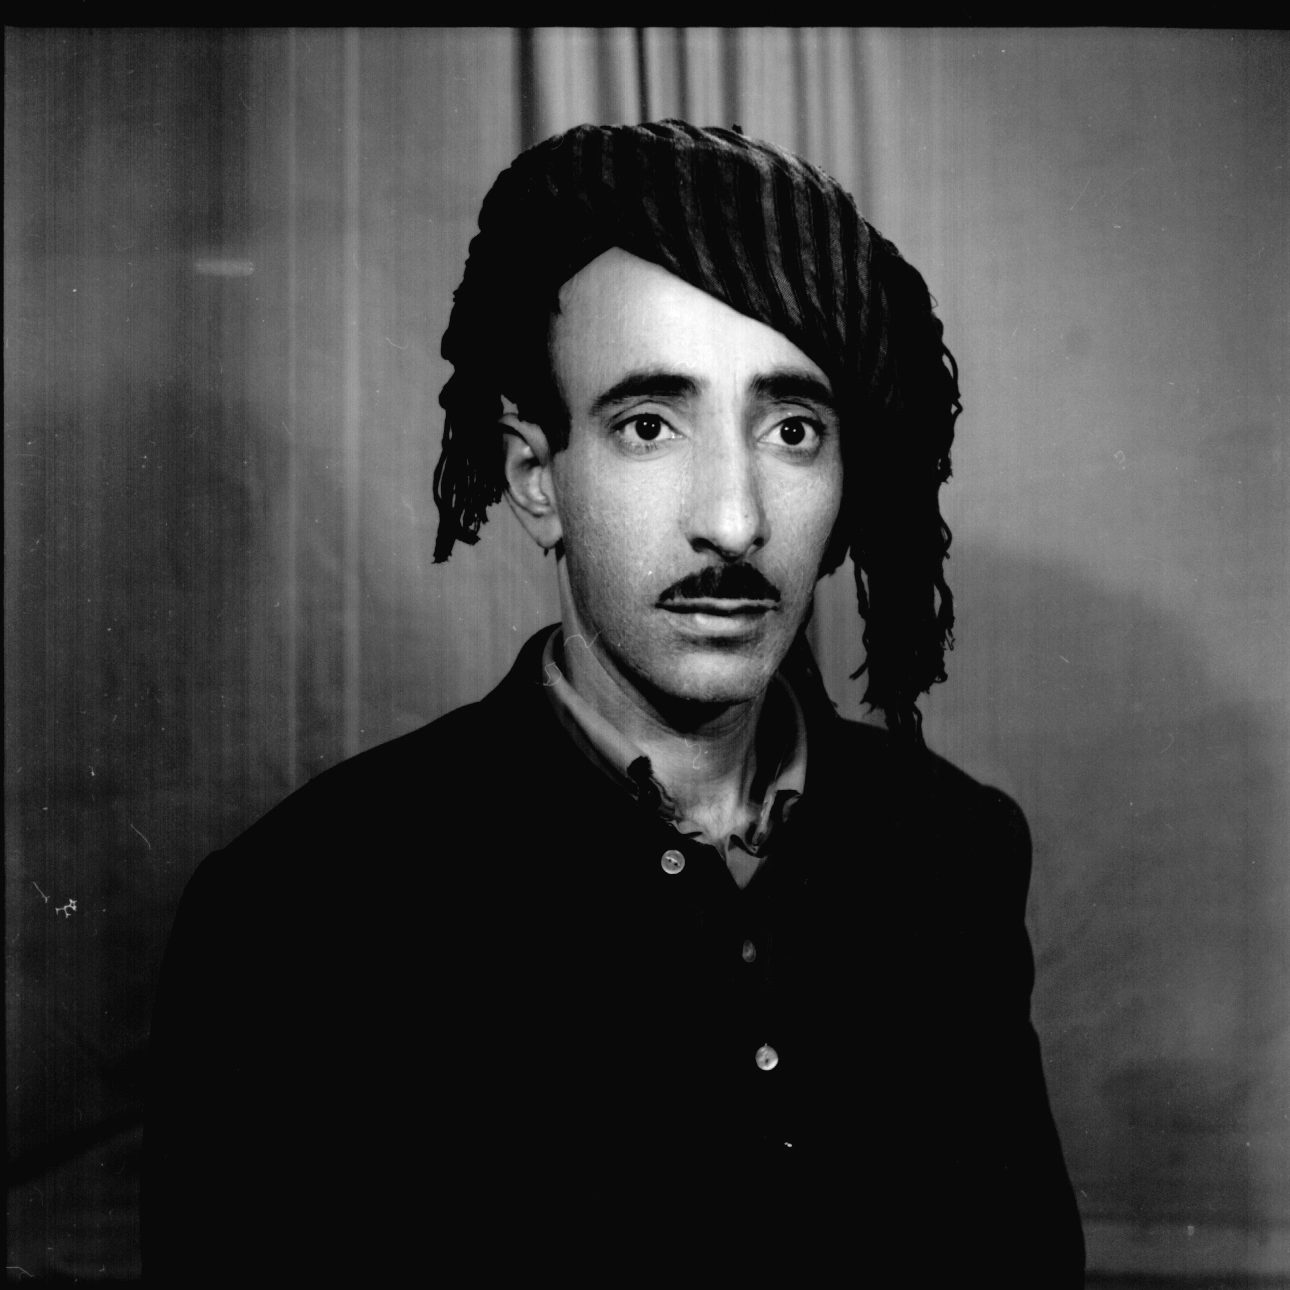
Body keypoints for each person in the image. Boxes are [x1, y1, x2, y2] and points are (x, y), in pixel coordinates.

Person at [144, 121, 1085, 1282]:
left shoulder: (951, 851)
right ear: (536, 479)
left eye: (793, 430)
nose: (734, 521)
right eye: (649, 425)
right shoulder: (302, 910)